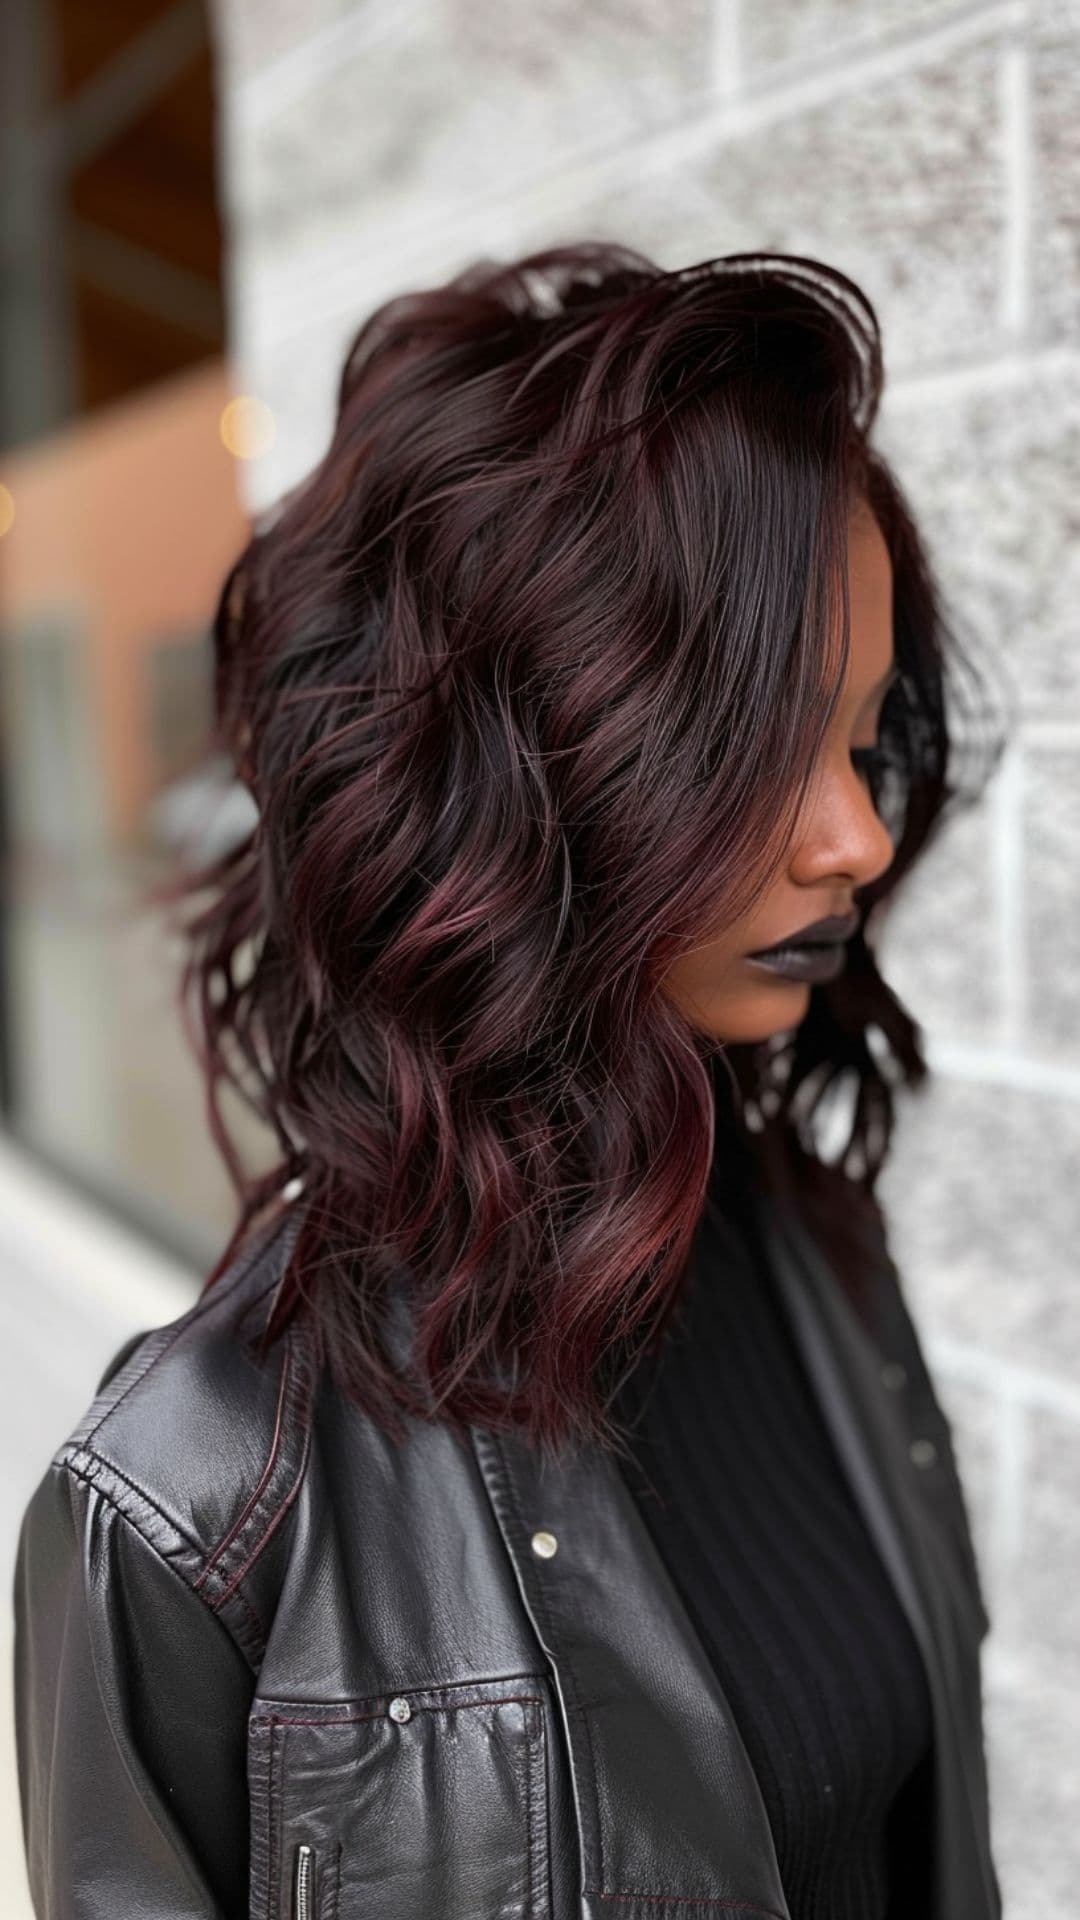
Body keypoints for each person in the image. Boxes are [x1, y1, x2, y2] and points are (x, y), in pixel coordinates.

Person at [12, 243, 1006, 1920]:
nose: (857, 837)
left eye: (860, 738)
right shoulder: (184, 1511)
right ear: (507, 777)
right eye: (757, 748)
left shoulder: (816, 1254)